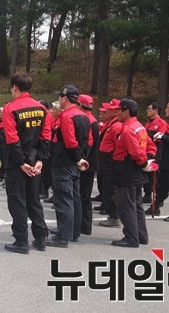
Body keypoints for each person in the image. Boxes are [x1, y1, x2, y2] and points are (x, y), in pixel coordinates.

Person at [2, 73, 52, 254]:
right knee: (34, 201)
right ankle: (40, 238)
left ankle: (21, 241)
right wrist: (40, 160)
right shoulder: (42, 109)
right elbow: (46, 136)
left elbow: (12, 140)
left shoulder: (10, 109)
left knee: (17, 202)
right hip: (35, 162)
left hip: (17, 164)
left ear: (15, 87)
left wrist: (21, 163)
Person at [46, 85, 90, 248]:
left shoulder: (67, 116)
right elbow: (86, 140)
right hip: (74, 163)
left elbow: (70, 142)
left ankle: (62, 236)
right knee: (74, 198)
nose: (58, 100)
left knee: (63, 199)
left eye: (60, 97)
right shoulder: (83, 116)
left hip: (64, 162)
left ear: (65, 98)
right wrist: (80, 159)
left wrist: (77, 159)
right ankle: (72, 231)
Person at [111, 99, 158, 248]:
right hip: (135, 171)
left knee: (126, 206)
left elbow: (136, 152)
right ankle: (141, 235)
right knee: (136, 205)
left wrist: (144, 163)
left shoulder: (128, 129)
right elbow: (151, 146)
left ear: (127, 112)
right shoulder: (139, 127)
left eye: (119, 110)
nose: (117, 112)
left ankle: (131, 238)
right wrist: (148, 159)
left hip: (127, 170)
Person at [97, 99, 123, 228]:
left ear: (116, 112)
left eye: (109, 109)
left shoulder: (117, 126)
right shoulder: (110, 124)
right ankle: (112, 214)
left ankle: (115, 216)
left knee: (110, 190)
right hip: (105, 160)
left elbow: (118, 146)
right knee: (106, 188)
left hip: (110, 160)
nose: (105, 111)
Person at [77, 94, 99, 236]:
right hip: (90, 162)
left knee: (83, 195)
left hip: (86, 163)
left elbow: (87, 144)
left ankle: (84, 225)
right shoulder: (93, 120)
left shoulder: (87, 120)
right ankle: (84, 225)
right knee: (84, 195)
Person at [142, 102, 168, 203]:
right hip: (147, 150)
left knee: (154, 173)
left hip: (156, 150)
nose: (147, 111)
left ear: (156, 110)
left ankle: (155, 196)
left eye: (149, 109)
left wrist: (149, 134)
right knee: (146, 171)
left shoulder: (162, 123)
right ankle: (147, 193)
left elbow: (159, 137)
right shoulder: (148, 123)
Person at [38, 99, 54, 201]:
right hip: (44, 144)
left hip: (46, 145)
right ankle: (42, 190)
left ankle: (44, 191)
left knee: (46, 171)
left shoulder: (48, 116)